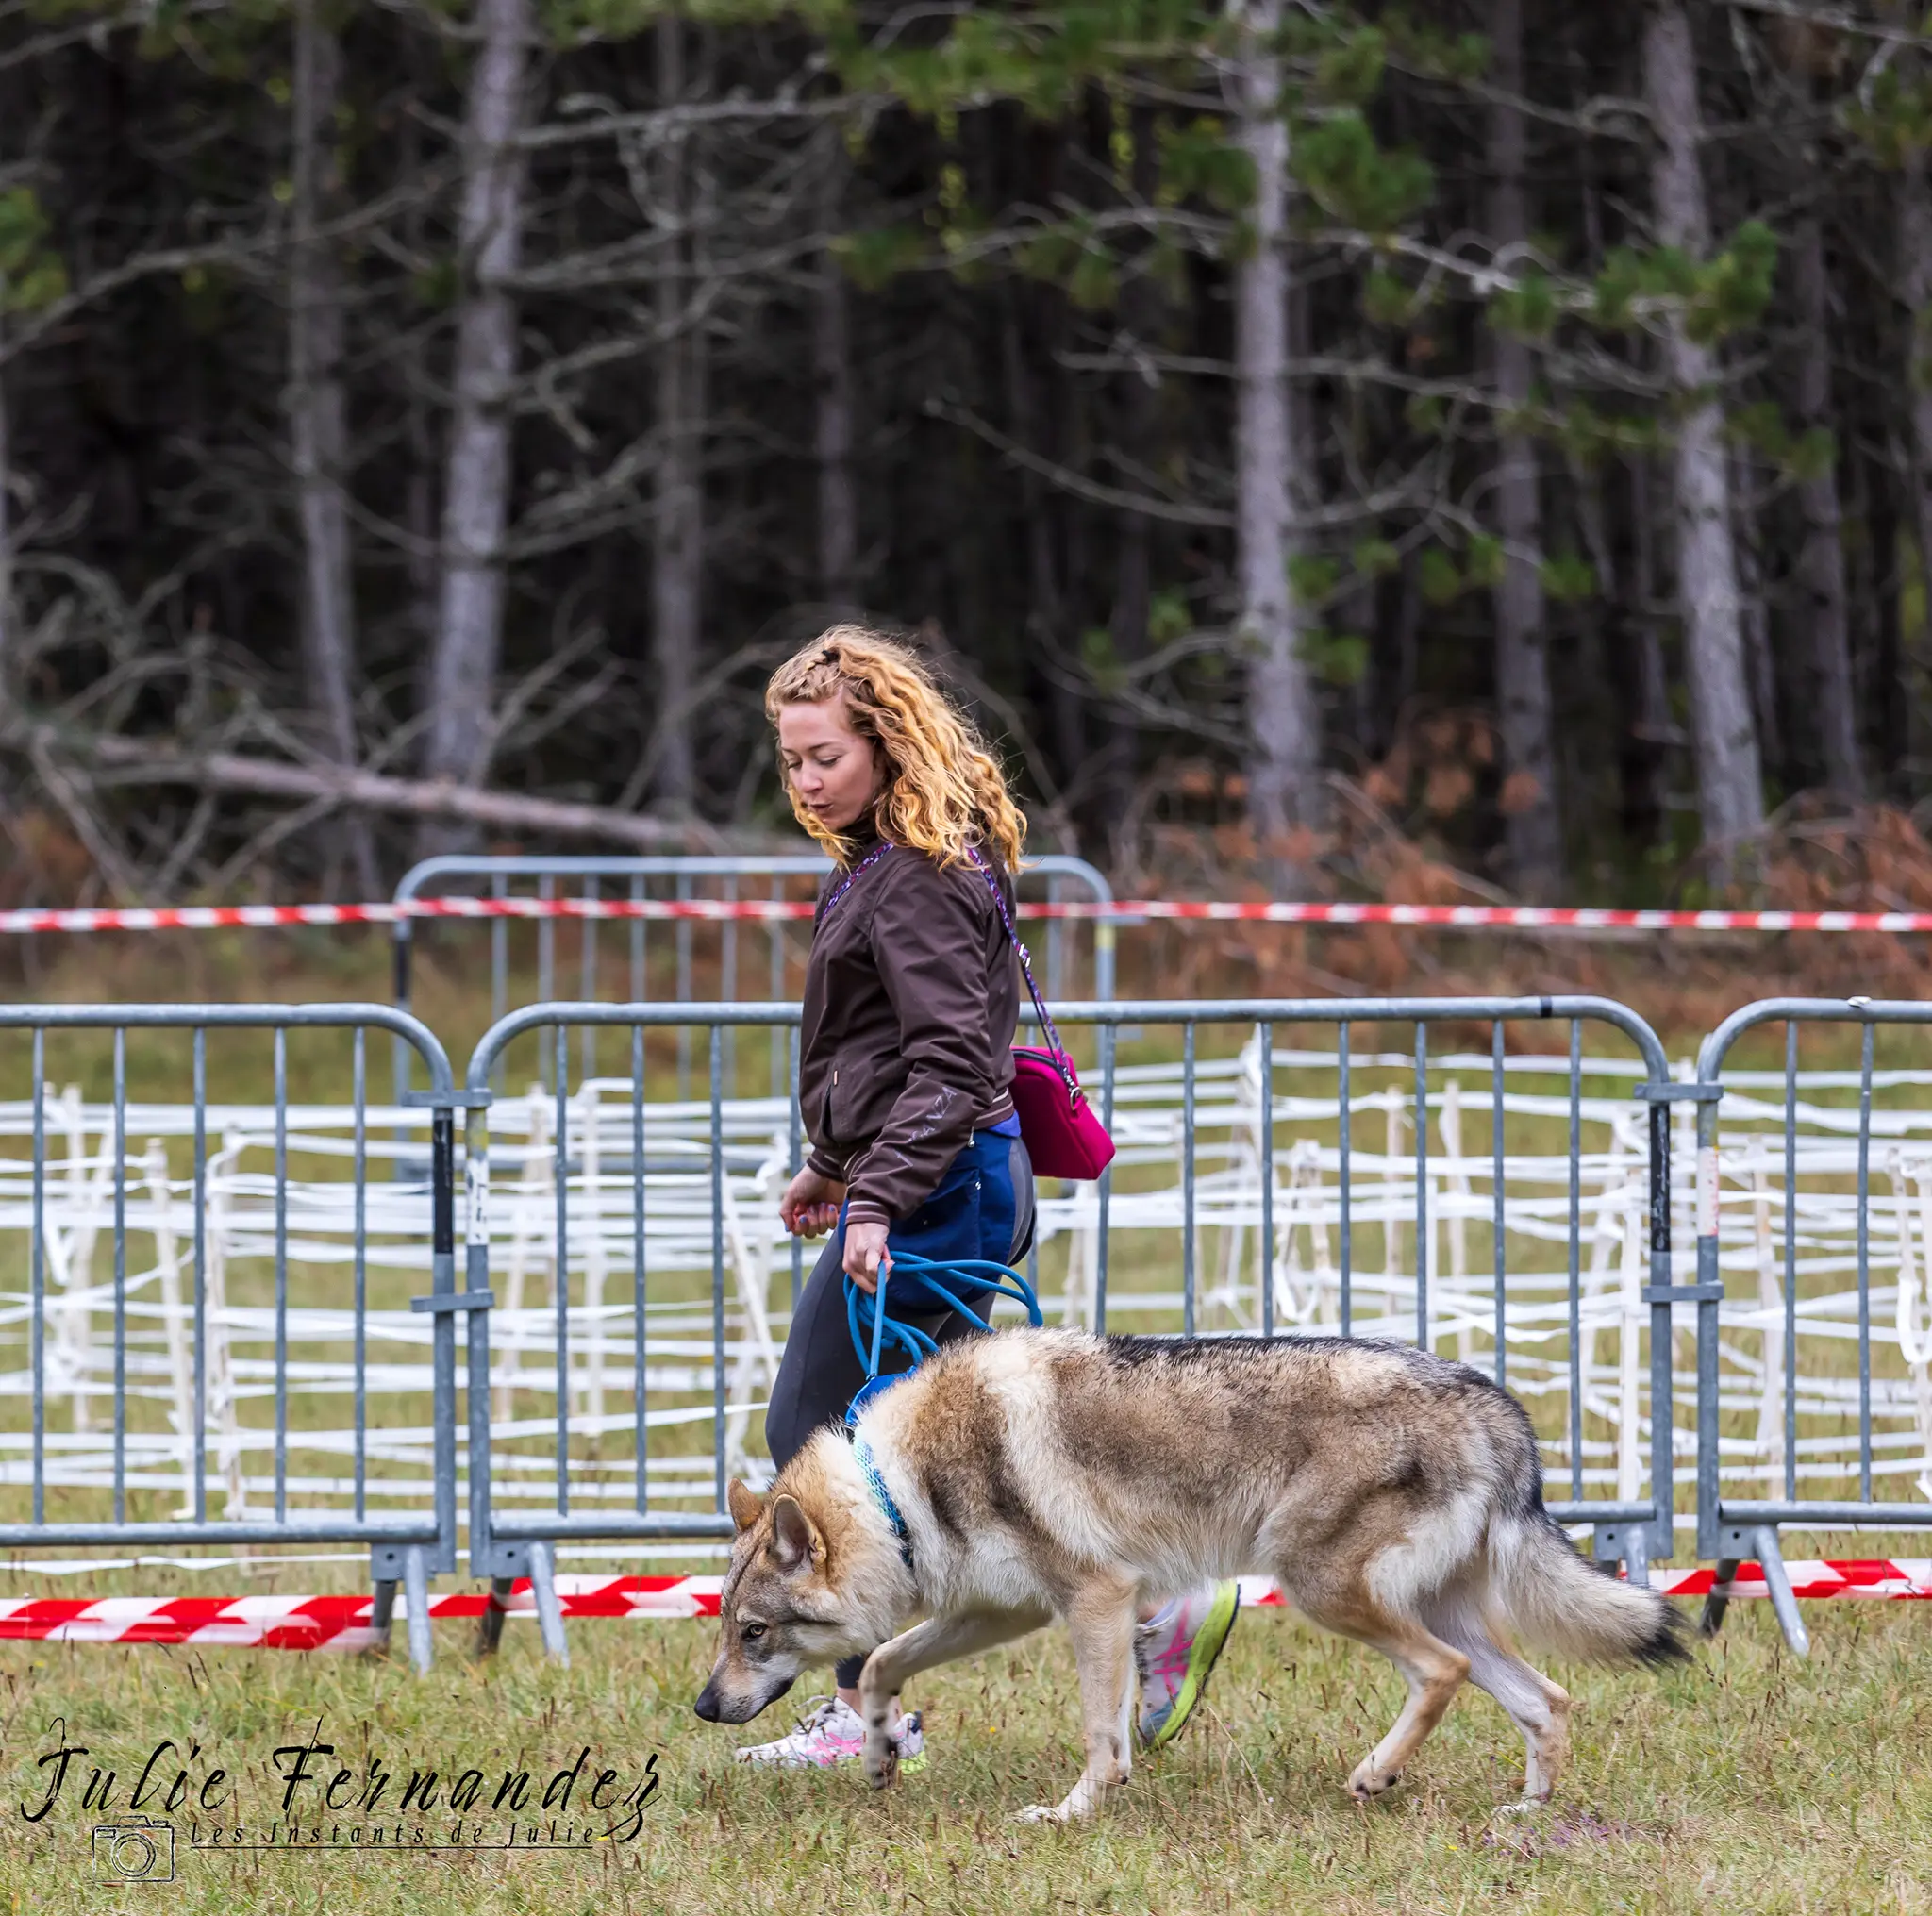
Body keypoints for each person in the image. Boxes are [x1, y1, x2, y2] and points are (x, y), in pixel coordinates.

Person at [735, 626, 1241, 1771]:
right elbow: (908, 1049)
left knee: (835, 1453)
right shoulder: (893, 852)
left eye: (824, 756)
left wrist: (874, 1200)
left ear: (886, 739)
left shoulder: (912, 872)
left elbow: (953, 1067)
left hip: (937, 1191)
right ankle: (1154, 1605)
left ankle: (880, 1713)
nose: (805, 781)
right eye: (791, 760)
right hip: (933, 1178)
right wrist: (835, 1160)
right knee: (915, 1467)